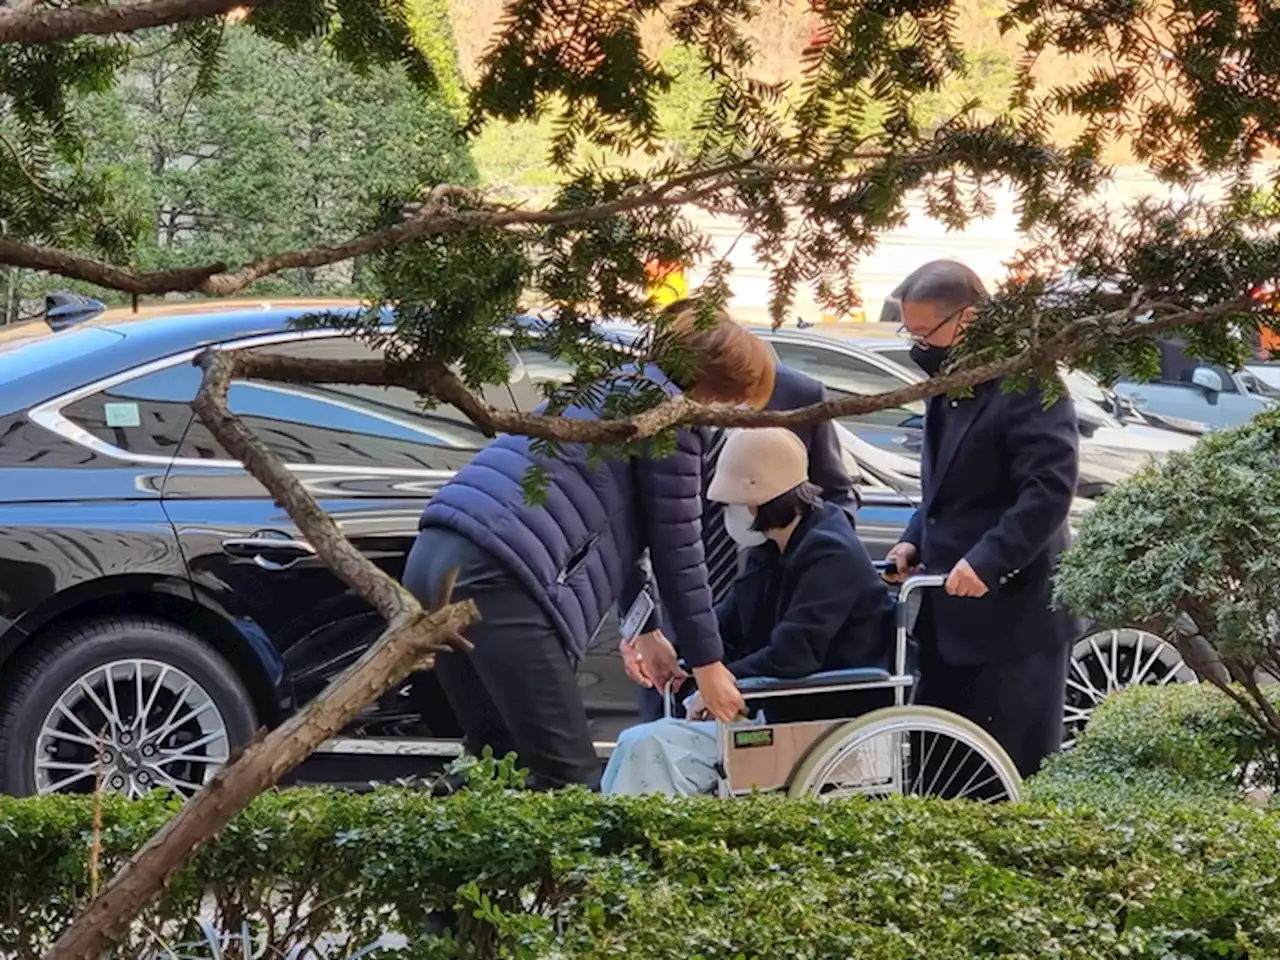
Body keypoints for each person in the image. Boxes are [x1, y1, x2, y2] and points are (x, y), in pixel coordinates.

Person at [402, 311, 775, 791]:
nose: (735, 412)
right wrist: (709, 667)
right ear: (718, 385)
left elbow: (609, 525)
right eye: (736, 398)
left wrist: (645, 630)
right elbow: (678, 549)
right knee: (567, 781)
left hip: (433, 557)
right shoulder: (671, 421)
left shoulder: (600, 391)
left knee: (495, 756)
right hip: (505, 577)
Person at [603, 427, 895, 796]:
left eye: (733, 503)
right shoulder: (770, 548)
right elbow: (729, 623)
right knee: (642, 742)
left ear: (762, 501)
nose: (729, 513)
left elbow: (793, 655)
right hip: (775, 707)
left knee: (648, 744)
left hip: (818, 714)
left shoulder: (830, 554)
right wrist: (688, 664)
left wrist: (713, 687)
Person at [883, 260, 1080, 779]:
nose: (918, 344)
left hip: (1013, 618)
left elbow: (1047, 491)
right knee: (936, 773)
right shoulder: (950, 381)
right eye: (911, 332)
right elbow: (946, 490)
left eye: (926, 332)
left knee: (1006, 774)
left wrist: (989, 561)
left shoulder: (1030, 383)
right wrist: (912, 542)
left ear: (966, 319)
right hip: (947, 616)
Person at [622, 300, 859, 721]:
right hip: (677, 608)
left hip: (764, 613)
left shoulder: (796, 394)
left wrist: (807, 558)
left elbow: (834, 493)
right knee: (663, 732)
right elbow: (631, 525)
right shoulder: (653, 407)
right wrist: (638, 626)